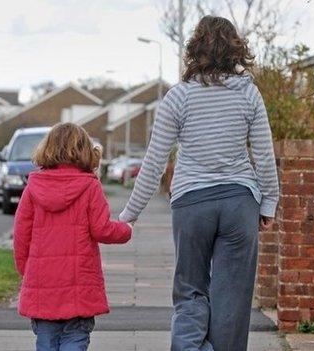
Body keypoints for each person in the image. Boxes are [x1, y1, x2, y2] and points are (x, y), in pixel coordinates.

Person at [119, 16, 280, 351]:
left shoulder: (178, 98)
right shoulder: (249, 94)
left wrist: (129, 215)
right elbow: (264, 155)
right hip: (239, 203)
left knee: (191, 290)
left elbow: (154, 162)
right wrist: (268, 203)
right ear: (236, 49)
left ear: (195, 49)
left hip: (192, 204)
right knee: (232, 300)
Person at [13, 123, 133, 351]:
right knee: (75, 338)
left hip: (43, 282)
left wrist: (25, 270)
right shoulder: (89, 186)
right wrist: (127, 229)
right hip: (79, 285)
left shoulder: (33, 188)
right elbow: (102, 229)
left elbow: (21, 235)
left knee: (46, 341)